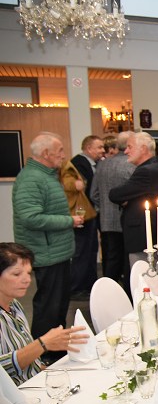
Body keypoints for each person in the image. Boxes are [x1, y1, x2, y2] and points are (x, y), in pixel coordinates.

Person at [12, 133, 82, 363]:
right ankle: (43, 357)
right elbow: (30, 217)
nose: (63, 155)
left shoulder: (45, 175)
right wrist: (68, 221)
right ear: (45, 153)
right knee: (48, 307)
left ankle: (56, 350)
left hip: (55, 251)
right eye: (59, 150)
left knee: (57, 306)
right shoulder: (32, 179)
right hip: (46, 252)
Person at [0, 243, 88, 385]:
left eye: (29, 273)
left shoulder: (14, 305)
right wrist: (42, 344)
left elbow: (30, 364)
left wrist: (49, 373)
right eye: (16, 274)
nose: (27, 280)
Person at [109, 132, 158, 288]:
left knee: (143, 282)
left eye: (130, 147)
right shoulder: (152, 167)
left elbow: (115, 194)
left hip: (143, 237)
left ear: (143, 149)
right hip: (145, 234)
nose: (126, 151)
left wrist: (128, 199)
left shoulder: (147, 171)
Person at [90, 132, 135, 287]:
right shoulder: (132, 165)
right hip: (128, 220)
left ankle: (107, 291)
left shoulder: (103, 164)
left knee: (110, 259)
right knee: (128, 261)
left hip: (106, 220)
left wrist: (105, 206)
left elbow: (94, 194)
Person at [59, 157, 97, 297]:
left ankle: (85, 285)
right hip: (79, 215)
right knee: (81, 252)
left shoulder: (67, 165)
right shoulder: (68, 166)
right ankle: (77, 288)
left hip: (84, 215)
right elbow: (72, 184)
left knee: (87, 251)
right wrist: (77, 184)